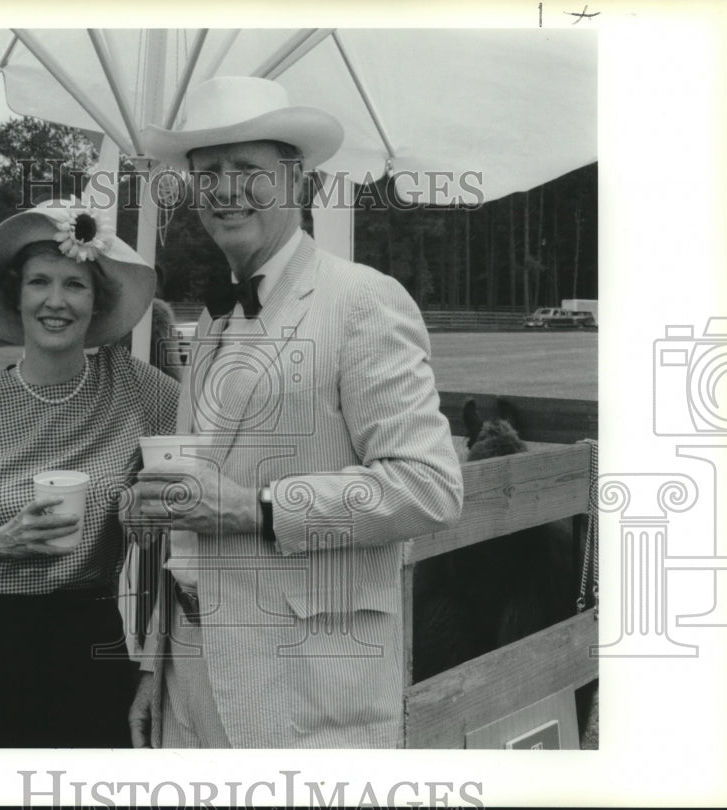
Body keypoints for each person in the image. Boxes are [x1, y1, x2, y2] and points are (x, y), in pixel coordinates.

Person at [125, 76, 464, 748]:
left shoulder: (364, 300)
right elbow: (201, 504)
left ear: (298, 184)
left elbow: (430, 488)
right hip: (189, 682)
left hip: (304, 697)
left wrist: (260, 508)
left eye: (248, 170)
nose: (225, 192)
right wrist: (156, 666)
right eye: (209, 173)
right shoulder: (214, 323)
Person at [0, 198, 178, 747]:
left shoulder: (139, 390)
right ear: (16, 295)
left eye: (75, 284)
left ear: (98, 302)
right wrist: (4, 540)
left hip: (87, 637)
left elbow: (206, 450)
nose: (56, 301)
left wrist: (153, 508)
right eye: (39, 282)